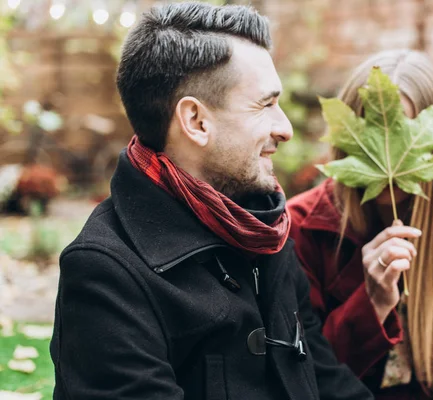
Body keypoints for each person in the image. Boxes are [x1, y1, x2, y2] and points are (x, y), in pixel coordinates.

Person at [49, 3, 374, 400]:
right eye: (266, 104)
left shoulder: (263, 230)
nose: (285, 128)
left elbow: (322, 377)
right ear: (197, 122)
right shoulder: (106, 273)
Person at [288, 50, 433, 399]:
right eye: (375, 138)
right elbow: (301, 375)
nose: (389, 156)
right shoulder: (300, 230)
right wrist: (372, 303)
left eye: (403, 139)